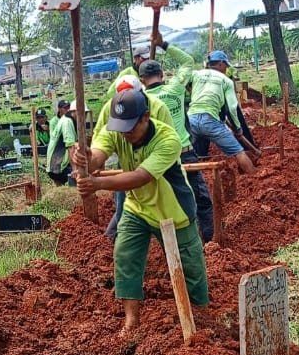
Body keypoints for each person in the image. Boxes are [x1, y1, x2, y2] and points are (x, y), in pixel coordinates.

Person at [73, 88, 208, 333]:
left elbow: (140, 177)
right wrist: (84, 160)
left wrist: (98, 184)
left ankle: (200, 316)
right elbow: (98, 157)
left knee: (191, 267)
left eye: (131, 127)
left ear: (145, 117)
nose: (125, 133)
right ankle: (131, 321)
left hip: (173, 211)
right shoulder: (118, 131)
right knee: (125, 256)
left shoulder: (168, 139)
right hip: (137, 208)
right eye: (121, 127)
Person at [95, 77, 179, 241]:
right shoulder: (111, 108)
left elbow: (145, 172)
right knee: (123, 207)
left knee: (168, 226)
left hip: (158, 172)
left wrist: (98, 183)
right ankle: (114, 238)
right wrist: (89, 160)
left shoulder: (158, 108)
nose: (125, 132)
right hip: (128, 165)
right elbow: (99, 144)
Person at [139, 60, 213, 243]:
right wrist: (163, 44)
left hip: (159, 159)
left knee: (166, 203)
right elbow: (187, 60)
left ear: (142, 80)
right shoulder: (175, 89)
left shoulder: (142, 101)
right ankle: (209, 242)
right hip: (184, 153)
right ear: (162, 74)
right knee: (200, 200)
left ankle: (176, 245)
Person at [187, 51, 258, 174]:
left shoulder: (196, 74)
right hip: (210, 121)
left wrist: (192, 92)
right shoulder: (226, 81)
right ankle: (255, 177)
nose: (226, 69)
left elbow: (184, 84)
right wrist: (238, 128)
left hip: (190, 120)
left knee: (188, 155)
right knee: (238, 152)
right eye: (226, 65)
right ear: (220, 64)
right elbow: (232, 108)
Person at [46, 100, 79, 186]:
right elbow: (70, 147)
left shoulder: (66, 120)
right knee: (83, 175)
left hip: (54, 165)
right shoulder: (67, 122)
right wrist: (75, 169)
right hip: (58, 166)